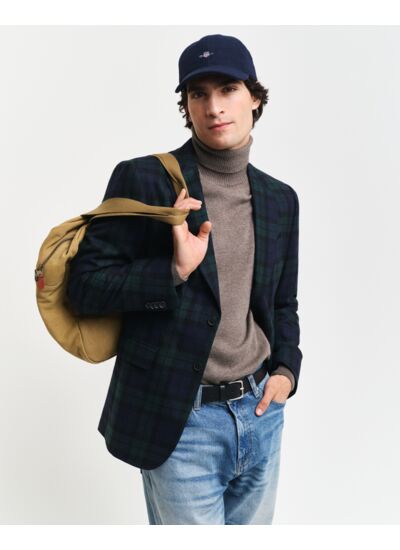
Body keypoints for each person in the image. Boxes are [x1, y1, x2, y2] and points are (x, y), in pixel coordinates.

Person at [67, 33, 302, 525]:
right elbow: (84, 287)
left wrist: (285, 371)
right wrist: (172, 272)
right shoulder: (145, 180)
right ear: (187, 107)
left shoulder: (280, 199)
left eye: (229, 89)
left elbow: (283, 303)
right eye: (199, 94)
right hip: (181, 422)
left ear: (255, 98)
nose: (214, 107)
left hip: (261, 413)